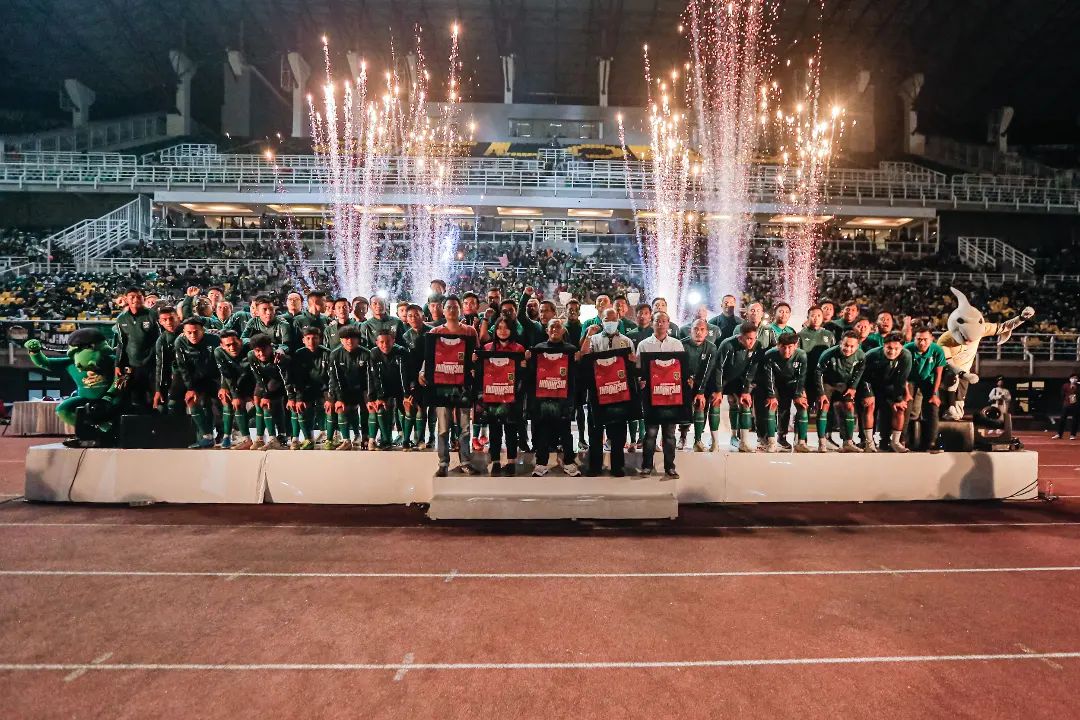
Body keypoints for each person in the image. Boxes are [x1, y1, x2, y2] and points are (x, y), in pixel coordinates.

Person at [419, 296, 479, 476]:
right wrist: (422, 372)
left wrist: (475, 364)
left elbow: (475, 355)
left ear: (460, 310)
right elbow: (429, 358)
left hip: (462, 386)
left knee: (464, 428)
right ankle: (443, 463)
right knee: (443, 427)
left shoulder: (469, 331)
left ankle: (466, 461)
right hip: (441, 385)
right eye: (449, 307)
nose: (452, 310)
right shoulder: (435, 332)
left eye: (455, 307)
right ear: (443, 311)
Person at [582, 308, 634, 475]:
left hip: (619, 393)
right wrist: (589, 335)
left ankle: (617, 466)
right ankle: (595, 466)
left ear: (618, 320)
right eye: (607, 320)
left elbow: (632, 366)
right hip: (597, 393)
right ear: (601, 321)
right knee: (595, 431)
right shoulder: (594, 339)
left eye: (613, 320)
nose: (610, 323)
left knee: (618, 433)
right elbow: (584, 355)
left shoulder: (626, 342)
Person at [528, 318, 581, 477]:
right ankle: (541, 463)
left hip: (564, 399)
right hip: (543, 399)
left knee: (565, 432)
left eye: (558, 326)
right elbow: (532, 375)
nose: (555, 329)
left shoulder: (571, 350)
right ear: (547, 330)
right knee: (543, 431)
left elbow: (575, 376)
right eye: (552, 326)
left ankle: (569, 462)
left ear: (563, 330)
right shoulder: (538, 349)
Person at [636, 311, 683, 477]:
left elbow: (681, 369)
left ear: (668, 323)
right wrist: (641, 381)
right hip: (651, 396)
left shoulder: (677, 344)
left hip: (671, 396)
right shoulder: (643, 345)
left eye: (664, 321)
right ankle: (647, 466)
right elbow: (639, 369)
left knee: (669, 434)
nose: (661, 324)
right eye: (657, 321)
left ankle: (670, 467)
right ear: (652, 323)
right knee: (650, 433)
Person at [478, 317, 527, 474]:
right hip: (492, 396)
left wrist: (525, 365)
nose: (502, 331)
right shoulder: (487, 348)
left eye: (506, 328)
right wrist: (475, 362)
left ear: (512, 330)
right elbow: (480, 372)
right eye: (499, 328)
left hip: (513, 396)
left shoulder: (519, 349)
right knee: (494, 430)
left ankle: (511, 461)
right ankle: (496, 461)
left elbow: (523, 375)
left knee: (512, 430)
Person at [172, 317, 221, 449]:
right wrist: (190, 387)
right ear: (184, 332)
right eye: (189, 332)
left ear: (203, 331)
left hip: (213, 376)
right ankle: (207, 436)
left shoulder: (214, 340)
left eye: (196, 332)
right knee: (191, 399)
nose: (193, 335)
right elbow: (183, 367)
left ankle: (222, 434)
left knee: (213, 403)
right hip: (194, 376)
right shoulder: (180, 342)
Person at [757, 332, 811, 452]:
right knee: (771, 406)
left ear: (795, 346)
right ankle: (771, 441)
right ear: (778, 345)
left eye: (790, 347)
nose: (786, 351)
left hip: (793, 383)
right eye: (783, 347)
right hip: (775, 384)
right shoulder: (770, 355)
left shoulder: (801, 355)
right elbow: (769, 377)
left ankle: (800, 442)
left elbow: (802, 377)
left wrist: (798, 394)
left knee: (802, 405)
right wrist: (771, 395)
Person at [814, 331, 867, 453]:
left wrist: (853, 387)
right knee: (824, 406)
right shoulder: (828, 354)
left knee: (849, 407)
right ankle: (822, 442)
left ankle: (848, 442)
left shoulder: (861, 356)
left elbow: (859, 372)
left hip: (844, 384)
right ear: (840, 343)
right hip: (828, 382)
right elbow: (818, 373)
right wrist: (821, 393)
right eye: (846, 345)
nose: (848, 348)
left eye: (852, 346)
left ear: (857, 346)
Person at [860, 332, 912, 453]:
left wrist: (898, 399)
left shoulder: (906, 356)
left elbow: (901, 379)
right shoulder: (871, 355)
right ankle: (869, 442)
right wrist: (868, 394)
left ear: (902, 348)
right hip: (870, 385)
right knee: (869, 406)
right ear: (884, 346)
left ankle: (895, 442)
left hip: (890, 386)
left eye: (896, 349)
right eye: (889, 348)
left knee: (900, 408)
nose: (892, 351)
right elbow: (863, 377)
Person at [718, 321, 763, 452]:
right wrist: (718, 389)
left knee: (745, 403)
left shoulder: (757, 345)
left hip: (741, 378)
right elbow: (719, 368)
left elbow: (752, 369)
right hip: (725, 377)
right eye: (749, 339)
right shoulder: (727, 344)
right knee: (725, 402)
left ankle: (744, 441)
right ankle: (720, 439)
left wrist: (746, 390)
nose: (752, 342)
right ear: (740, 336)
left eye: (754, 338)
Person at [112, 286, 158, 410]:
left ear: (143, 298)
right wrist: (118, 364)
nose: (136, 299)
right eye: (132, 297)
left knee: (156, 398)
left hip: (152, 365)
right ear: (126, 299)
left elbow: (158, 341)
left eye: (139, 296)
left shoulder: (152, 315)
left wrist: (151, 358)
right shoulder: (122, 318)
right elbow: (121, 343)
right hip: (133, 365)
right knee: (137, 399)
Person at [286, 326, 331, 449]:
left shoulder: (326, 353)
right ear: (303, 340)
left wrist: (329, 396)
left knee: (329, 406)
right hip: (305, 389)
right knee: (301, 407)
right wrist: (298, 398)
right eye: (308, 338)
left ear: (320, 339)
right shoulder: (298, 354)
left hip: (324, 388)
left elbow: (332, 377)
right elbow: (297, 379)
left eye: (315, 338)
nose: (312, 341)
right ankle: (307, 438)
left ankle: (330, 436)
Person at [327, 324, 370, 450]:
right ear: (341, 340)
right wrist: (339, 398)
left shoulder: (366, 354)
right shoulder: (335, 354)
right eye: (346, 339)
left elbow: (370, 378)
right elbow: (335, 379)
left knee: (367, 407)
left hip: (363, 389)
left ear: (358, 339)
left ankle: (366, 437)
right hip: (343, 389)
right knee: (340, 407)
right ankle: (346, 440)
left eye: (353, 338)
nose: (349, 341)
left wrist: (369, 395)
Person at [365, 329, 410, 450]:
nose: (385, 345)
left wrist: (406, 395)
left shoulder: (401, 351)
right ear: (377, 342)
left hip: (401, 387)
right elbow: (373, 377)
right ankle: (386, 440)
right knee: (381, 408)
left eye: (388, 341)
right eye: (382, 342)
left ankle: (407, 440)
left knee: (406, 409)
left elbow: (404, 375)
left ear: (393, 341)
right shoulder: (373, 353)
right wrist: (376, 397)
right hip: (383, 387)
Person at [905, 326, 946, 452]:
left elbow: (938, 373)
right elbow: (903, 374)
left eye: (925, 339)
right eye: (919, 339)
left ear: (932, 339)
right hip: (910, 380)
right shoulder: (907, 349)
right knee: (909, 408)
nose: (922, 342)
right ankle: (906, 441)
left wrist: (934, 394)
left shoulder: (938, 350)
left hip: (929, 380)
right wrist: (906, 393)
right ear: (914, 339)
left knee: (933, 408)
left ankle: (931, 443)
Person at [681, 318, 720, 452]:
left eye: (702, 329)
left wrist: (701, 391)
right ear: (690, 330)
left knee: (701, 406)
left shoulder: (711, 347)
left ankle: (698, 440)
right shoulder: (682, 345)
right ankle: (682, 436)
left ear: (707, 332)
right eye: (696, 329)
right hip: (684, 382)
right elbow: (678, 365)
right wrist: (686, 378)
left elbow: (709, 370)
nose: (698, 332)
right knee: (683, 409)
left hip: (703, 382)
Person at [248, 333, 290, 450]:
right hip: (264, 381)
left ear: (270, 347)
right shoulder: (251, 356)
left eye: (264, 350)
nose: (261, 354)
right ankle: (260, 438)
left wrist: (266, 395)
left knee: (267, 404)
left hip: (280, 382)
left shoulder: (279, 357)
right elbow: (258, 377)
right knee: (257, 400)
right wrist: (261, 392)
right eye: (257, 351)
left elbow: (278, 379)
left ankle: (275, 438)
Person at [214, 330, 253, 450]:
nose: (232, 348)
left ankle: (252, 438)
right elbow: (226, 374)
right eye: (228, 345)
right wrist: (233, 393)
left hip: (251, 380)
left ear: (240, 341)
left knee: (256, 403)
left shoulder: (249, 347)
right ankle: (227, 436)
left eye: (235, 344)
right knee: (227, 399)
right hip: (232, 380)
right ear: (222, 345)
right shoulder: (218, 352)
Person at [152, 305, 182, 414]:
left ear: (178, 318)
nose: (169, 322)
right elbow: (161, 366)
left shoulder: (189, 330)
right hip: (178, 375)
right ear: (160, 322)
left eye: (171, 318)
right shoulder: (162, 340)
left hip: (198, 373)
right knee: (172, 404)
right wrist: (158, 389)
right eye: (165, 320)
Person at [1052, 374, 1079, 440]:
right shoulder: (1065, 385)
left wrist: (1075, 387)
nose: (1074, 379)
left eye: (1076, 378)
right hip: (1066, 404)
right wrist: (1065, 401)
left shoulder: (1078, 386)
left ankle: (1072, 435)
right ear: (1070, 378)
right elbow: (1062, 394)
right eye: (1073, 378)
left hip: (1076, 405)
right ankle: (1059, 434)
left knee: (1075, 420)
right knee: (1062, 419)